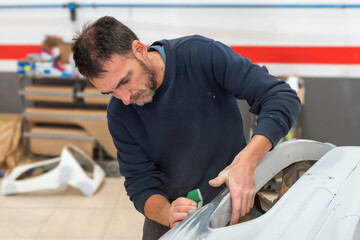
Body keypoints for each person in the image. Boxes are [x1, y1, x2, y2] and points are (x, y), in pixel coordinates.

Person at [72, 16, 301, 239]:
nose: (123, 98)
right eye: (110, 92)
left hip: (234, 199)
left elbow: (280, 97)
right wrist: (167, 213)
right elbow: (140, 184)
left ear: (140, 49)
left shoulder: (198, 55)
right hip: (174, 217)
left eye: (124, 81)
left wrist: (246, 162)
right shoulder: (119, 113)